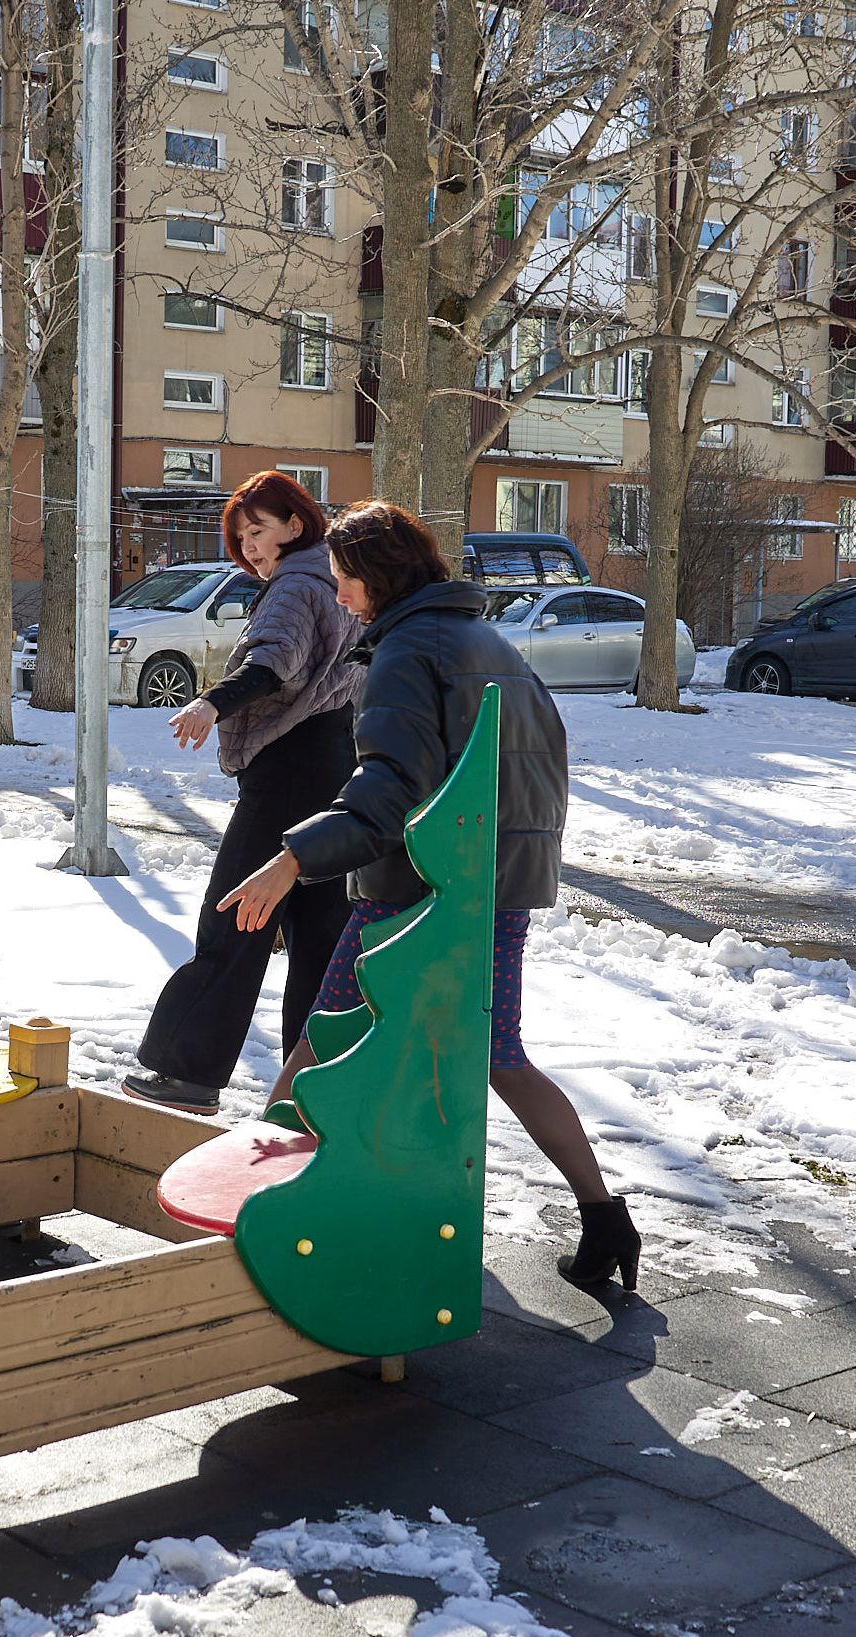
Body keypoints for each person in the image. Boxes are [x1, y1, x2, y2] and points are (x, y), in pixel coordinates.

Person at [215, 499, 639, 1289]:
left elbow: (385, 790)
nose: (339, 597)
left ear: (378, 578)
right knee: (498, 1055)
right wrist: (507, 870)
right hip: (491, 888)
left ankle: (255, 1213)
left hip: (414, 887)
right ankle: (605, 1218)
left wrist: (287, 861)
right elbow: (543, 764)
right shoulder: (485, 640)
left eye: (344, 581)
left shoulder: (408, 651)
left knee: (326, 1034)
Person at [123, 471, 364, 1116]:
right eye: (241, 536)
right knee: (320, 937)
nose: (251, 547)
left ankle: (185, 1072)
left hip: (287, 777)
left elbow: (271, 662)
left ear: (295, 522)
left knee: (235, 919)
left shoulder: (294, 585)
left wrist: (210, 702)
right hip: (335, 768)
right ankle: (316, 1093)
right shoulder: (338, 581)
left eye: (259, 530)